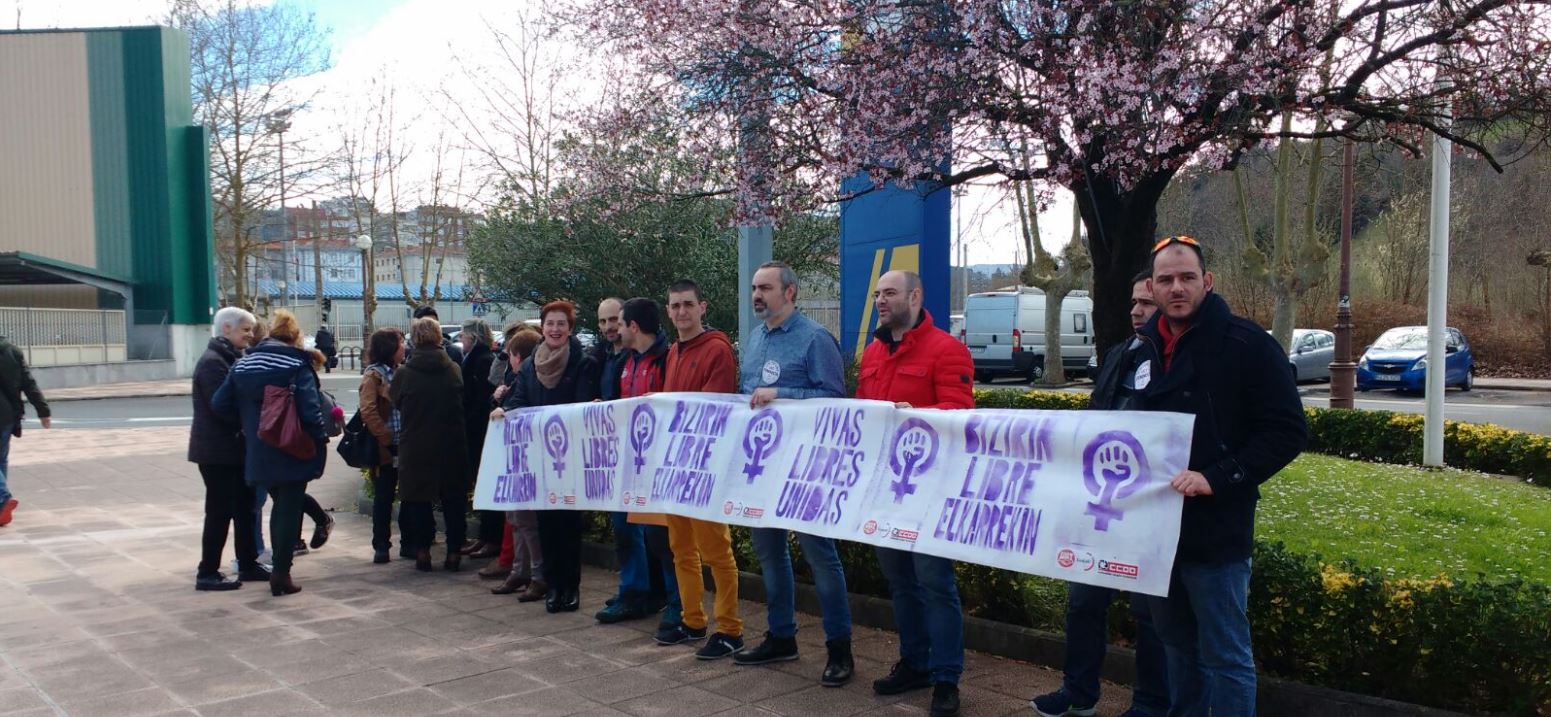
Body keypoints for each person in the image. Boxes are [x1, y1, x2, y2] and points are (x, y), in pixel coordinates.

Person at [1135, 236, 1308, 716]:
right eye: (1166, 279)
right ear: (1152, 287)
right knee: (1176, 646)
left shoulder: (1248, 345)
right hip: (1153, 532)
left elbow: (1288, 431)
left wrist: (1218, 477)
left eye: (1187, 277)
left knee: (1226, 656)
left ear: (1207, 281)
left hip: (1216, 532)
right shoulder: (1138, 349)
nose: (1177, 288)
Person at [1032, 271, 1168, 717]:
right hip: (1102, 501)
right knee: (1084, 601)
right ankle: (1078, 691)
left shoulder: (1178, 359)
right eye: (1134, 302)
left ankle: (1150, 704)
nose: (1136, 311)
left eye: (1146, 303)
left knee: (1149, 612)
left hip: (1151, 506)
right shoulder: (1118, 354)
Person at [857, 271, 973, 717]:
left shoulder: (947, 350)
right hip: (886, 490)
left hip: (931, 490)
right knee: (900, 582)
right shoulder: (873, 351)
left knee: (935, 583)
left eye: (890, 293)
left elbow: (961, 414)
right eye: (878, 294)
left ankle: (946, 677)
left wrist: (917, 415)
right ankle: (915, 662)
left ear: (915, 296)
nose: (881, 301)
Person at [734, 261, 854, 686]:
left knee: (820, 557)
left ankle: (840, 648)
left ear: (790, 292)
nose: (757, 295)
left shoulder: (815, 339)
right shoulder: (755, 338)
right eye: (754, 287)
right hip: (764, 466)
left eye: (765, 287)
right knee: (769, 552)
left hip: (805, 469)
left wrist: (780, 394)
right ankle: (781, 636)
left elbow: (835, 399)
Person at [210, 309, 329, 596]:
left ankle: (280, 569)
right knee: (288, 505)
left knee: (278, 503)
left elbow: (219, 403)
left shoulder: (243, 365)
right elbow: (310, 411)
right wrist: (319, 439)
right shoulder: (296, 364)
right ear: (294, 337)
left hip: (258, 447)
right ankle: (281, 572)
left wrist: (248, 424)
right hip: (292, 445)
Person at [656, 280, 745, 659]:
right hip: (677, 464)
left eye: (688, 305)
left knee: (716, 551)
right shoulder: (673, 351)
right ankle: (692, 620)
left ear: (702, 307)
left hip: (705, 466)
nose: (681, 312)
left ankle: (730, 629)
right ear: (668, 310)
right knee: (681, 548)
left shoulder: (717, 349)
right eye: (675, 305)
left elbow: (714, 408)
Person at [493, 300, 599, 613]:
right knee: (546, 525)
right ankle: (553, 587)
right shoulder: (529, 365)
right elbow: (520, 400)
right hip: (540, 458)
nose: (555, 329)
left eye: (561, 324)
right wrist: (505, 410)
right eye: (550, 323)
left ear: (570, 329)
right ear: (542, 327)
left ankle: (570, 588)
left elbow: (581, 406)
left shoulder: (583, 362)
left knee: (569, 526)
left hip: (570, 458)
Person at [595, 298, 681, 631]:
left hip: (657, 465)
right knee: (625, 529)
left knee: (663, 538)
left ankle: (676, 602)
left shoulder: (666, 360)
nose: (613, 329)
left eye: (618, 322)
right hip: (629, 461)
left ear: (632, 326)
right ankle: (634, 593)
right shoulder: (626, 361)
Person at [188, 307, 269, 590]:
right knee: (219, 511)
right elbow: (222, 406)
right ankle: (207, 571)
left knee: (245, 507)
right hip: (218, 452)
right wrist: (251, 420)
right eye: (245, 329)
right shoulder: (214, 363)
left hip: (233, 449)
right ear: (227, 329)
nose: (250, 335)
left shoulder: (230, 358)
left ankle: (247, 563)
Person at [391, 317, 470, 572]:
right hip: (451, 443)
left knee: (417, 499)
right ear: (438, 337)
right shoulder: (453, 369)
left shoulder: (404, 373)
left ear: (414, 339)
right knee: (453, 500)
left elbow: (395, 401)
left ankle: (422, 551)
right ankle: (454, 552)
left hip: (416, 444)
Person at [488, 326, 547, 600]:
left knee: (525, 520)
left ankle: (536, 574)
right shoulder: (518, 379)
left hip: (525, 458)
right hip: (516, 457)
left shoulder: (527, 379)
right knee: (516, 518)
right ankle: (520, 570)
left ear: (517, 357)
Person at [359, 327, 406, 564]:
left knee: (408, 494)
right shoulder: (374, 375)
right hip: (385, 447)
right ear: (389, 347)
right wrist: (385, 436)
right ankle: (381, 545)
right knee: (384, 496)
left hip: (405, 443)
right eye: (401, 342)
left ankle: (409, 542)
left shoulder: (401, 371)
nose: (404, 347)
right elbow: (368, 410)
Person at [458, 318, 502, 559]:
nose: (461, 340)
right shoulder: (476, 358)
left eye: (463, 335)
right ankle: (486, 536)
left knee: (487, 483)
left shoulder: (482, 360)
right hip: (476, 430)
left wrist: (469, 419)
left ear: (473, 337)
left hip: (480, 431)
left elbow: (482, 397)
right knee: (482, 484)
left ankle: (491, 537)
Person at [0, 332, 50, 528]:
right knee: (1, 459)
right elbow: (28, 383)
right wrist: (43, 411)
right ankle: (1, 507)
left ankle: (3, 498)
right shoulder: (13, 351)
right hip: (8, 416)